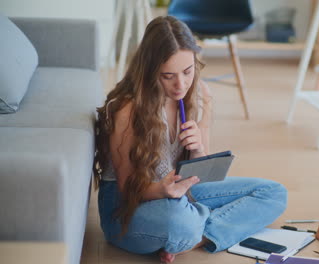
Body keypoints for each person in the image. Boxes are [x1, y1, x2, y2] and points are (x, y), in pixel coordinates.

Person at [93, 16, 287, 263]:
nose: (180, 85)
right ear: (150, 71)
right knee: (175, 219)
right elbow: (128, 188)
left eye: (187, 71)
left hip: (179, 190)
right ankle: (195, 225)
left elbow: (200, 173)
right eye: (168, 76)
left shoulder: (198, 94)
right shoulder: (127, 111)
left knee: (273, 192)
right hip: (128, 205)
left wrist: (196, 151)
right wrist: (162, 190)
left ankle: (199, 235)